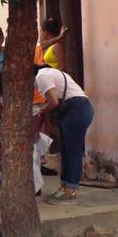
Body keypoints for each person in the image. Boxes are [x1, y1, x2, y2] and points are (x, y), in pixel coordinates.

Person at [35, 65, 94, 204]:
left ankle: (70, 190)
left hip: (76, 109)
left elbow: (54, 102)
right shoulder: (52, 73)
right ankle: (64, 186)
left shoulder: (41, 75)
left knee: (72, 150)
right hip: (79, 108)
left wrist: (40, 111)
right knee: (66, 150)